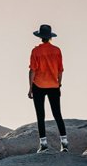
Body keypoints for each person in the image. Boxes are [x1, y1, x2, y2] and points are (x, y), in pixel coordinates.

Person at [28, 24, 68, 153]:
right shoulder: (57, 50)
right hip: (54, 86)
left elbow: (32, 71)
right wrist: (59, 84)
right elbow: (60, 70)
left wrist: (30, 88)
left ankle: (44, 144)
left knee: (40, 115)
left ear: (40, 37)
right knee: (57, 114)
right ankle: (64, 143)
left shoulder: (36, 51)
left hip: (39, 85)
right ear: (50, 37)